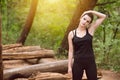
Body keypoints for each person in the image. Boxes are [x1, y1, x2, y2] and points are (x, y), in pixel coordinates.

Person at [68, 10, 106, 80]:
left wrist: (91, 11)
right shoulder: (72, 34)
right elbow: (70, 51)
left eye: (88, 21)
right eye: (84, 19)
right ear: (80, 18)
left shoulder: (90, 30)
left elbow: (103, 16)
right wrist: (69, 67)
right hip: (77, 63)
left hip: (90, 62)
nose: (85, 22)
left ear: (89, 24)